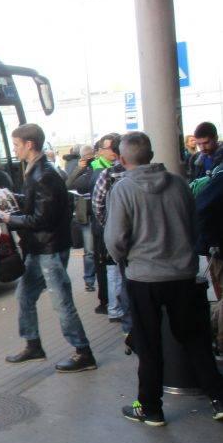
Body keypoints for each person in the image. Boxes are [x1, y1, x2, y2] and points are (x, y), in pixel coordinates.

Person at [104, 131, 223, 425]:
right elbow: (194, 226)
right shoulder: (179, 184)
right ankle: (219, 399)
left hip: (144, 278)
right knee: (195, 339)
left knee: (149, 344)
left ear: (123, 159)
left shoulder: (123, 189)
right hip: (182, 275)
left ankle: (150, 408)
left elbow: (115, 239)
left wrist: (125, 259)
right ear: (151, 154)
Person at [0, 123, 97, 372]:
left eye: (16, 145)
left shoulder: (44, 174)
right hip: (40, 248)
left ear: (29, 144)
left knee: (61, 301)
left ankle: (83, 352)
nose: (14, 149)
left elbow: (41, 218)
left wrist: (11, 220)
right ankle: (33, 344)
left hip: (49, 250)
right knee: (24, 295)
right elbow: (36, 204)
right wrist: (5, 196)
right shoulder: (38, 171)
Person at [92, 146, 132, 333]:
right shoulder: (172, 180)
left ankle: (128, 328)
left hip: (122, 241)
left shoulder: (108, 175)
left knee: (122, 280)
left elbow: (97, 206)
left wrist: (110, 230)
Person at [90, 133, 121, 315]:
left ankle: (114, 308)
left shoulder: (106, 174)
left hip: (111, 231)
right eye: (106, 148)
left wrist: (108, 225)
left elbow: (97, 205)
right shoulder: (98, 171)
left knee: (113, 271)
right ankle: (112, 306)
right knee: (112, 270)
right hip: (108, 231)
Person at [196, 160, 223, 356]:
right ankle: (220, 340)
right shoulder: (221, 180)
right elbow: (200, 208)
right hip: (219, 250)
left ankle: (211, 333)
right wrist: (213, 241)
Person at [66, 144, 97, 292]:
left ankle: (96, 278)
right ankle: (89, 280)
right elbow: (67, 184)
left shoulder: (99, 166)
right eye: (86, 156)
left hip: (98, 213)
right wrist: (79, 168)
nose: (89, 159)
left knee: (97, 250)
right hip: (86, 215)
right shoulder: (78, 168)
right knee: (89, 251)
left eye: (91, 155)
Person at [188, 122, 223, 188]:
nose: (202, 148)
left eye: (206, 143)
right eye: (199, 144)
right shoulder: (194, 159)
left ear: (216, 138)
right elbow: (191, 182)